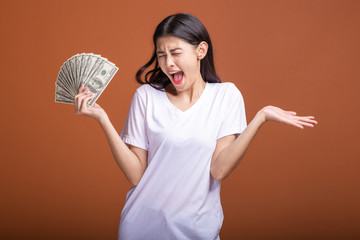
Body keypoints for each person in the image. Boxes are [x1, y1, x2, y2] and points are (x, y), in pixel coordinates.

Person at [74, 13, 317, 240]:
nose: (168, 63)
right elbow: (136, 175)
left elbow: (219, 170)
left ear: (200, 50)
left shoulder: (226, 96)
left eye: (176, 53)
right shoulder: (145, 96)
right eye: (161, 55)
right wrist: (103, 119)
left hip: (198, 229)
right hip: (142, 227)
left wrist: (260, 118)